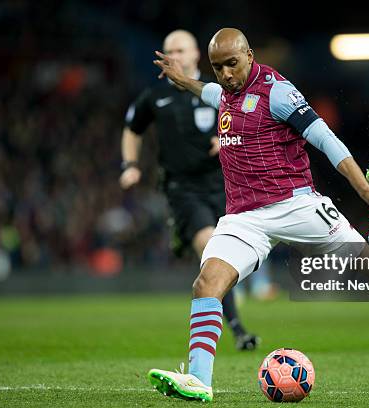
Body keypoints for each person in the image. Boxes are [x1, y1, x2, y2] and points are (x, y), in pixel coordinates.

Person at [148, 28, 369, 402]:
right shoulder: (224, 92)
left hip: (296, 204)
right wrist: (185, 81)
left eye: (232, 64)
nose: (225, 74)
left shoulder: (276, 91)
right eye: (217, 67)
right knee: (207, 283)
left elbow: (326, 139)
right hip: (243, 217)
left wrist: (365, 190)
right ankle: (198, 380)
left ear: (249, 56)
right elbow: (209, 92)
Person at [120, 29, 258, 350]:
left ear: (197, 54)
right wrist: (130, 166)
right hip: (183, 190)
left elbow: (253, 123)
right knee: (214, 251)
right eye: (169, 51)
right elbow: (132, 129)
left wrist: (228, 138)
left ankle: (181, 237)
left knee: (228, 255)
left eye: (181, 50)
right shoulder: (154, 97)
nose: (175, 57)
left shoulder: (220, 91)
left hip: (226, 186)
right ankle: (238, 330)